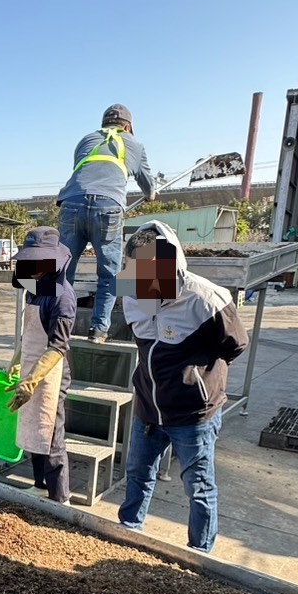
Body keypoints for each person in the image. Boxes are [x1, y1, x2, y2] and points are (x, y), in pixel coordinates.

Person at [117, 223, 248, 552]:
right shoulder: (132, 294)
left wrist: (197, 376)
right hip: (149, 409)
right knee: (137, 475)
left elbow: (236, 344)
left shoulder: (205, 298)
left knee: (198, 486)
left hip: (192, 414)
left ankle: (199, 554)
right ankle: (127, 535)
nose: (143, 284)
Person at [57, 104, 157, 343]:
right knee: (110, 275)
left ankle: (59, 325)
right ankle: (99, 330)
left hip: (71, 203)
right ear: (128, 126)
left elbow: (84, 174)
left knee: (63, 270)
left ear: (104, 124)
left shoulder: (85, 140)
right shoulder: (135, 145)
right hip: (108, 207)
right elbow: (149, 186)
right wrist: (151, 194)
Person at [7, 226, 77, 503]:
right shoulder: (34, 288)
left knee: (51, 432)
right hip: (30, 367)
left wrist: (32, 380)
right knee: (33, 428)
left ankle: (61, 498)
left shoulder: (62, 298)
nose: (33, 269)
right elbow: (30, 333)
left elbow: (58, 347)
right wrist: (16, 363)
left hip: (52, 373)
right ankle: (39, 485)